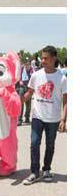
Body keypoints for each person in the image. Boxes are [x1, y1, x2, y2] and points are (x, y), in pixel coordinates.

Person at [23, 46, 67, 185]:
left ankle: (47, 169)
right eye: (41, 58)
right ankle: (34, 172)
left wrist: (63, 119)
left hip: (53, 119)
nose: (42, 61)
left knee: (50, 145)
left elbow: (66, 101)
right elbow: (29, 93)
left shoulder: (62, 78)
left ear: (54, 58)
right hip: (37, 116)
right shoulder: (36, 75)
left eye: (46, 58)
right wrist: (17, 102)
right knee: (34, 143)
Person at [17, 60, 34, 126]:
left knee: (28, 104)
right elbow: (18, 76)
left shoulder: (32, 70)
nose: (27, 66)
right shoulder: (21, 69)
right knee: (21, 103)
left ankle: (27, 117)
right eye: (26, 65)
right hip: (22, 87)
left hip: (29, 87)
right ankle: (19, 119)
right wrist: (20, 81)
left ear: (30, 65)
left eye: (28, 65)